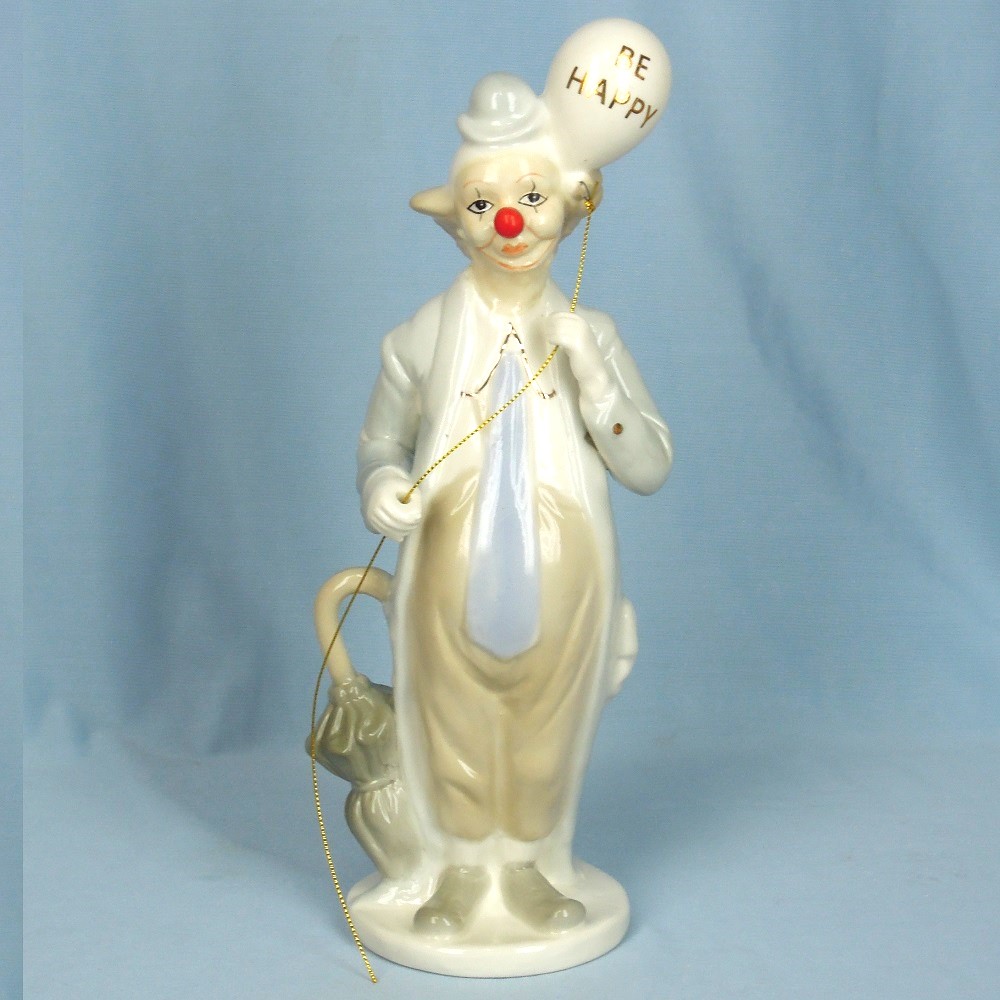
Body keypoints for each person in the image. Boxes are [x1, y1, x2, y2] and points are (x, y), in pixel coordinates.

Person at [355, 74, 672, 938]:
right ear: (455, 223)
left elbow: (649, 465)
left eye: (531, 198)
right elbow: (380, 443)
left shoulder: (593, 334)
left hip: (564, 580)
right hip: (447, 579)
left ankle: (529, 867)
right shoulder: (420, 337)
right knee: (452, 724)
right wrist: (381, 484)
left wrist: (596, 378)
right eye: (482, 205)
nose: (510, 223)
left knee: (545, 727)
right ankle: (461, 872)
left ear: (569, 205)